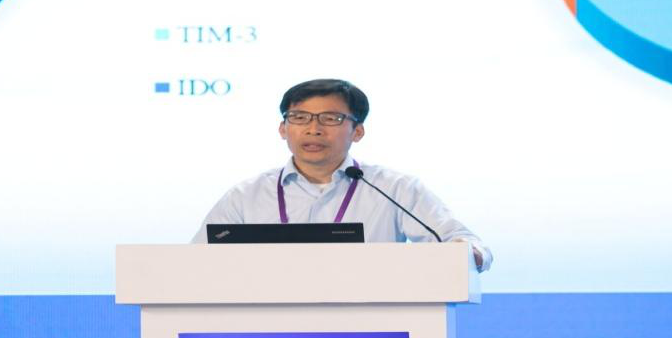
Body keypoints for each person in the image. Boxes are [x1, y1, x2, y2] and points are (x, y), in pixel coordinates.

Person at [194, 79, 492, 272]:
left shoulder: (394, 189)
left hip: (369, 327)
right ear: (283, 129)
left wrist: (466, 253)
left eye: (331, 119)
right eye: (299, 118)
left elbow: (467, 244)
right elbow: (194, 263)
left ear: (358, 131)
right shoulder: (246, 195)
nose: (313, 129)